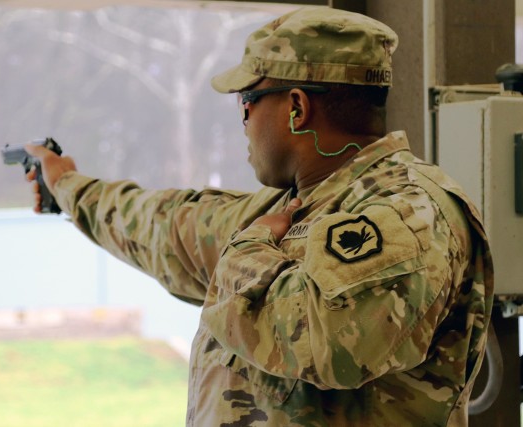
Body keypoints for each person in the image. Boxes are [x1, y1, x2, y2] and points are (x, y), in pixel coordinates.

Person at [24, 7, 493, 426]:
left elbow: (329, 344)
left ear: (296, 107)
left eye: (247, 100)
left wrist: (246, 253)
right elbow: (162, 226)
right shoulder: (288, 208)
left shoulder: (406, 214)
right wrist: (67, 186)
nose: (244, 118)